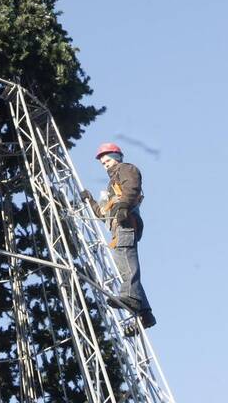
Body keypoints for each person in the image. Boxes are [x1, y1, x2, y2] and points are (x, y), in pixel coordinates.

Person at [81, 142, 156, 333]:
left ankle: (131, 297)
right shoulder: (111, 185)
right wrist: (90, 201)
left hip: (126, 222)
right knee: (124, 268)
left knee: (125, 258)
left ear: (117, 156)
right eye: (102, 161)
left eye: (107, 158)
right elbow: (103, 213)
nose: (104, 162)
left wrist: (123, 207)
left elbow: (132, 188)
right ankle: (145, 313)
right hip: (116, 226)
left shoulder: (126, 169)